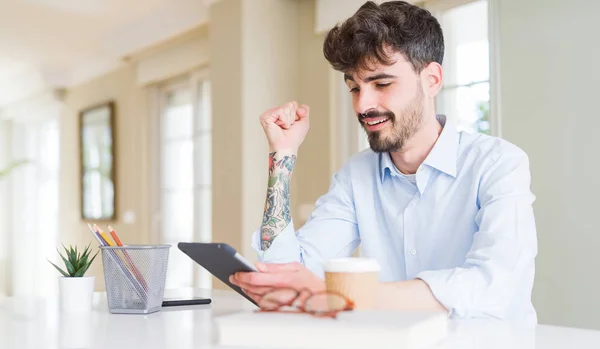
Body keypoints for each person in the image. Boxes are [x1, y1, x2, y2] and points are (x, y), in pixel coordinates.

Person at [229, 1, 537, 322]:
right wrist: (283, 155)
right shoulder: (356, 175)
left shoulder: (498, 163)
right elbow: (288, 274)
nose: (363, 105)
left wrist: (337, 295)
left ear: (431, 79)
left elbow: (493, 284)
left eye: (382, 84)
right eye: (354, 88)